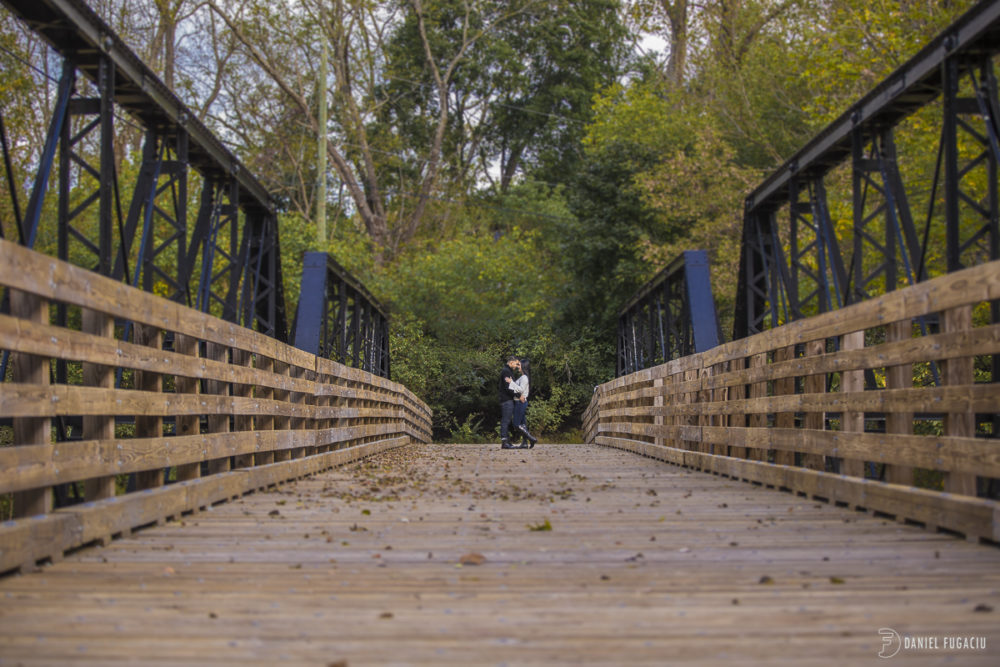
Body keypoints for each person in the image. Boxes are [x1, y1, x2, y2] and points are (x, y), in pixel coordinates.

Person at [511, 359, 537, 448]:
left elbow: (520, 389)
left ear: (524, 367)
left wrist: (511, 383)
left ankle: (531, 438)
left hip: (520, 402)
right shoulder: (523, 377)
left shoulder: (524, 378)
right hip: (520, 402)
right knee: (523, 424)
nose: (518, 366)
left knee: (516, 424)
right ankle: (525, 443)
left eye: (520, 365)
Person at [498, 356, 520, 449]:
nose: (517, 366)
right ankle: (504, 442)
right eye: (516, 363)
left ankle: (507, 440)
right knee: (505, 420)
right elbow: (508, 387)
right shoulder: (506, 371)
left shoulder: (508, 371)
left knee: (507, 420)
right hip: (506, 400)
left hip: (508, 399)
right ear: (511, 362)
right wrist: (517, 395)